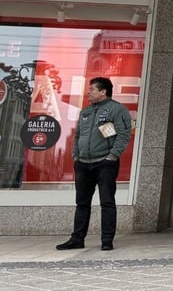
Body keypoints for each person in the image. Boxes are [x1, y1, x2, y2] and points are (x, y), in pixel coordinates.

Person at [56, 77, 132, 251]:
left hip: (105, 163)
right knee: (82, 203)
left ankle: (106, 240)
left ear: (103, 91)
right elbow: (77, 136)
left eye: (92, 89)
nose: (88, 93)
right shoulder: (86, 112)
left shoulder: (116, 109)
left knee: (107, 202)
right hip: (83, 163)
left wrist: (112, 156)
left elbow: (123, 135)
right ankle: (77, 239)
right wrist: (76, 156)